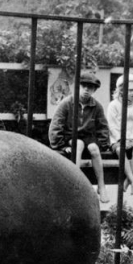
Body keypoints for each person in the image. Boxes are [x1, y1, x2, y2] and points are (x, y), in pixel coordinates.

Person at [48, 71, 111, 203]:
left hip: (88, 137)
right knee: (79, 144)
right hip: (71, 136)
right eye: (83, 86)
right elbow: (56, 123)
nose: (86, 90)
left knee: (94, 148)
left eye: (91, 88)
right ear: (78, 87)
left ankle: (101, 186)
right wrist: (60, 145)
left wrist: (103, 143)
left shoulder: (96, 106)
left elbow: (103, 126)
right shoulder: (67, 103)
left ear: (94, 90)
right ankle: (76, 183)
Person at [107, 73, 133, 195]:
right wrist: (121, 139)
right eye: (130, 90)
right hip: (117, 138)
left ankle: (126, 183)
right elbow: (112, 125)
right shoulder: (113, 105)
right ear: (121, 90)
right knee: (120, 150)